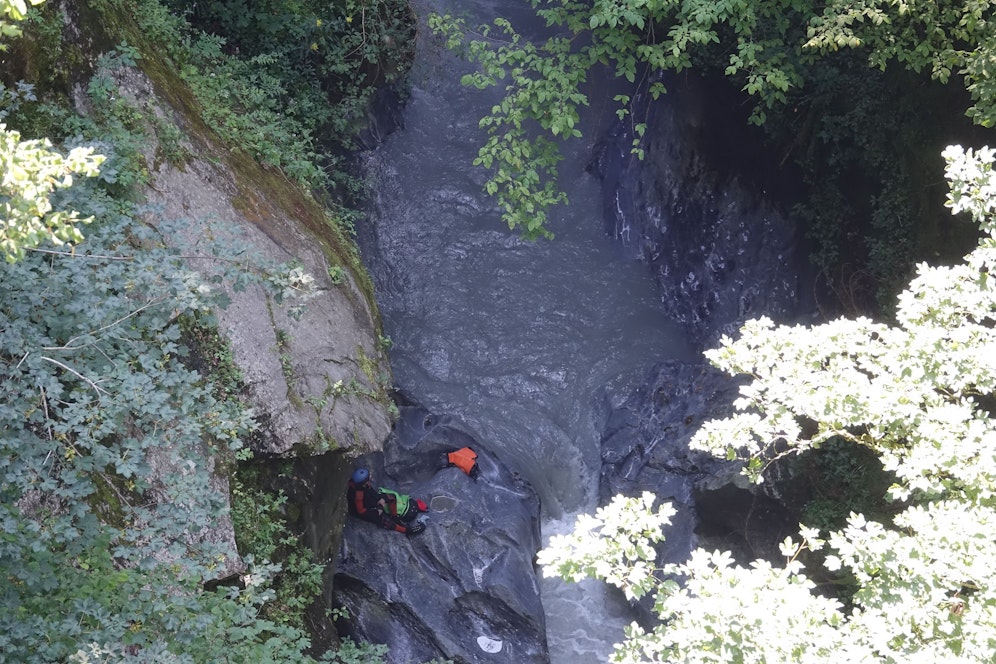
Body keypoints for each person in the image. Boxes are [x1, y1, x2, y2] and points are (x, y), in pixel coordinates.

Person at [347, 467, 426, 536]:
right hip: (365, 511)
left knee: (391, 497)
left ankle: (395, 517)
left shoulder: (364, 484)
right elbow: (361, 511)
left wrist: (379, 499)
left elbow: (371, 491)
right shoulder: (358, 494)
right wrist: (377, 510)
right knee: (385, 521)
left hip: (368, 501)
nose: (368, 481)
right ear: (361, 483)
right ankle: (408, 531)